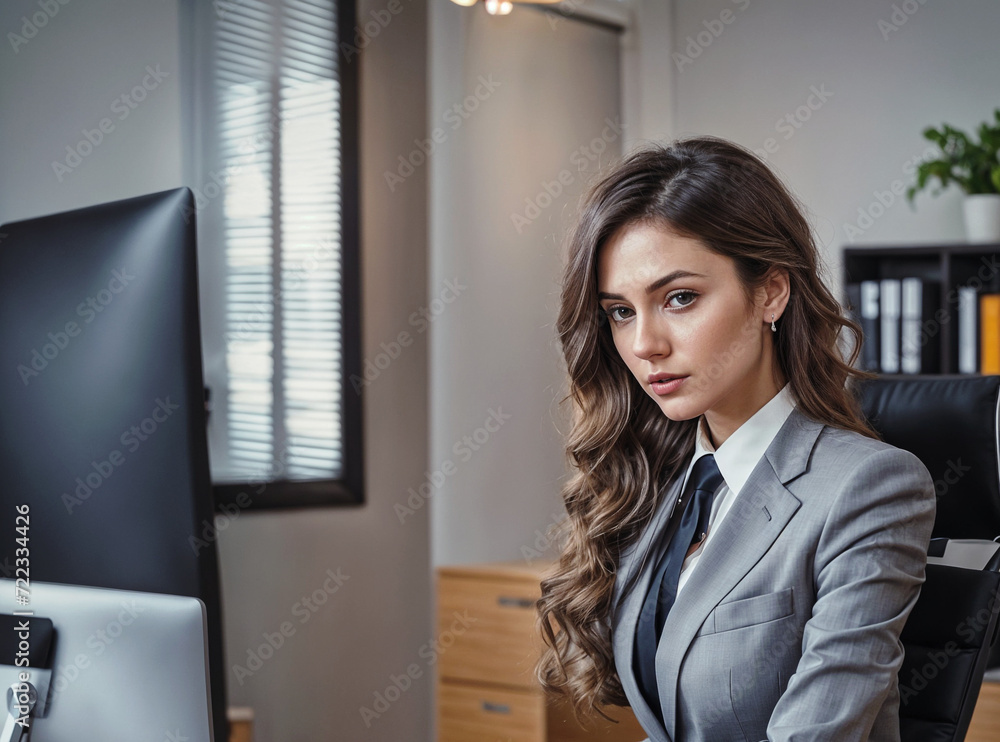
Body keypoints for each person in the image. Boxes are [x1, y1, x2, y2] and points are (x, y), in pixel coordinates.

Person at [534, 135, 936, 742]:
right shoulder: (663, 484)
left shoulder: (869, 486)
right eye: (619, 311)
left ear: (770, 291)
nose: (645, 344)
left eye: (680, 298)